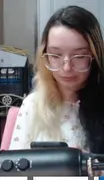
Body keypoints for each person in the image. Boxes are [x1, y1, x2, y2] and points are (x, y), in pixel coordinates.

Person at [9, 6, 104, 152]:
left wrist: (90, 162)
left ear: (95, 56)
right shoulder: (32, 105)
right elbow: (12, 163)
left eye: (79, 56)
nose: (67, 68)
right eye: (55, 55)